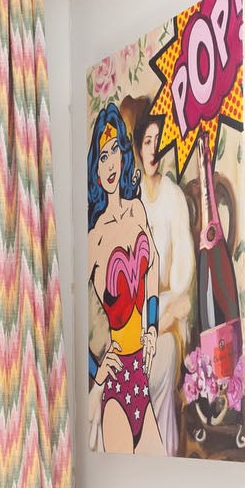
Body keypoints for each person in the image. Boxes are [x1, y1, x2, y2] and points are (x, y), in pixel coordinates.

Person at [85, 100, 164, 455]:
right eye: (102, 156)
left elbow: (154, 264)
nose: (109, 163)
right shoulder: (95, 237)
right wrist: (96, 369)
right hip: (116, 387)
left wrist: (152, 328)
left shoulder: (137, 211)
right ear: (96, 168)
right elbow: (68, 313)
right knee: (121, 484)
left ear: (123, 155)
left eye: (114, 150)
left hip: (140, 380)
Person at [125, 99, 194, 454]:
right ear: (139, 147)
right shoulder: (131, 200)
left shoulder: (174, 198)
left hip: (168, 317)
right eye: (147, 141)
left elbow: (182, 285)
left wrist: (160, 321)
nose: (152, 149)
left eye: (158, 142)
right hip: (135, 317)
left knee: (159, 358)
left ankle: (163, 453)